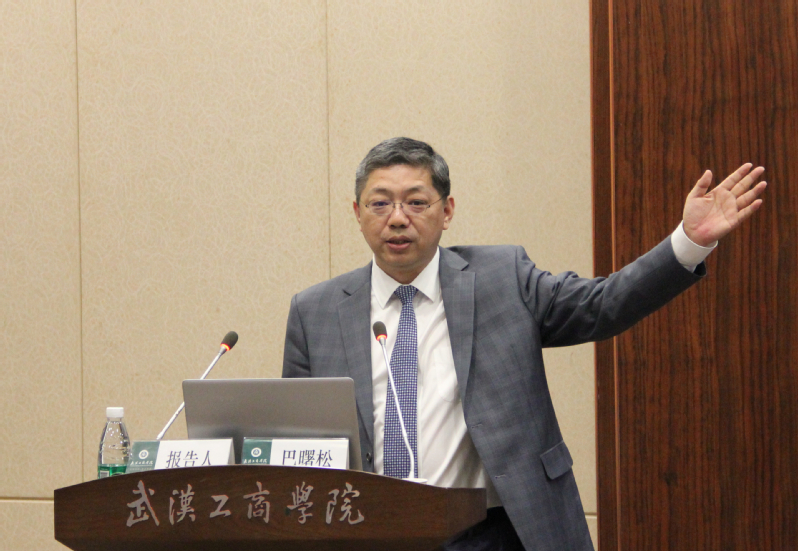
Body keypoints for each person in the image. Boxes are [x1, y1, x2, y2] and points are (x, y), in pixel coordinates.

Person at [282, 137, 766, 550]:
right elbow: (297, 449)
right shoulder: (315, 312)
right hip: (372, 534)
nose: (397, 218)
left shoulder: (503, 278)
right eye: (380, 203)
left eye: (416, 202)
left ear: (447, 211)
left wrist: (687, 242)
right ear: (357, 213)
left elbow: (603, 304)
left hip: (493, 531)